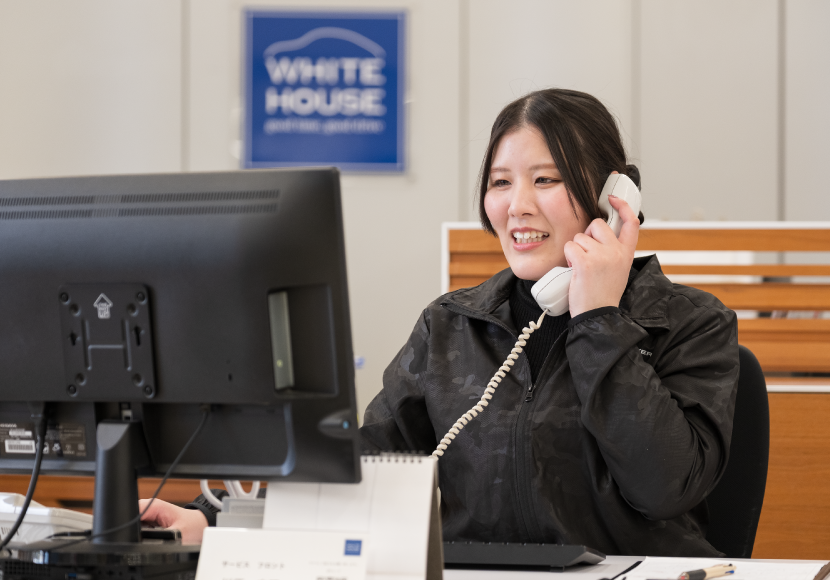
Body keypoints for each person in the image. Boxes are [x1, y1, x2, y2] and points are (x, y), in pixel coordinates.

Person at [141, 88, 739, 556]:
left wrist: (601, 318)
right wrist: (215, 518)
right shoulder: (451, 327)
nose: (517, 206)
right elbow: (361, 467)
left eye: (546, 179)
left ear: (613, 199)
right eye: (500, 183)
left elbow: (665, 487)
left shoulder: (691, 325)